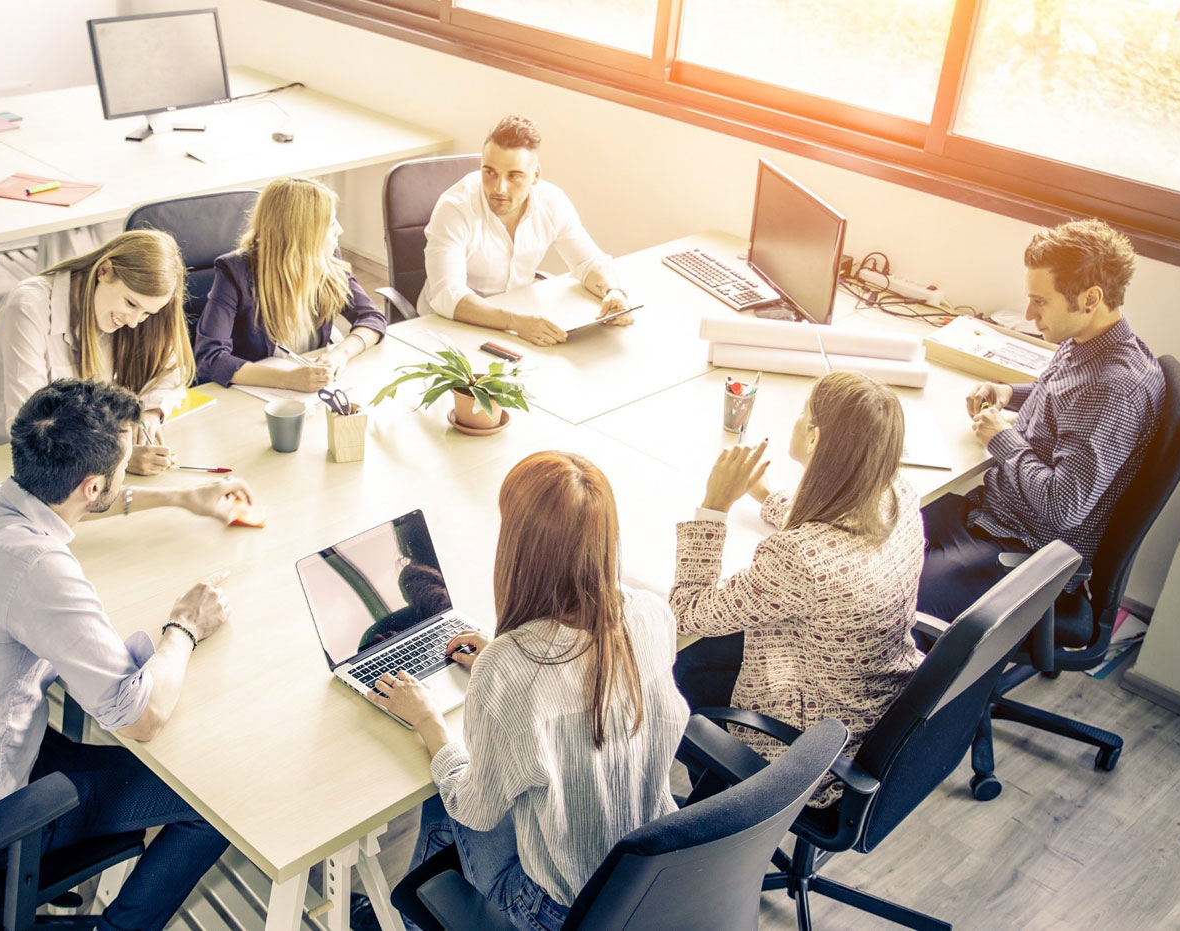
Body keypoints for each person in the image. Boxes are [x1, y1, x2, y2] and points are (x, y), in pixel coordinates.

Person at [0, 379, 253, 931]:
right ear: (93, 484)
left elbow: (63, 509)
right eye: (127, 461)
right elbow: (141, 717)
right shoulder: (39, 571)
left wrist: (176, 495)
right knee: (220, 802)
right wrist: (184, 628)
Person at [369, 451, 688, 931]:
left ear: (520, 547)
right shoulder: (651, 614)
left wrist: (428, 719)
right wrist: (508, 660)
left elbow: (474, 808)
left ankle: (418, 914)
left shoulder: (510, 666)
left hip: (554, 911)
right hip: (647, 882)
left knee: (443, 780)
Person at [670, 372, 924, 806]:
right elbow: (835, 533)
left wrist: (714, 506)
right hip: (871, 712)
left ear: (815, 438)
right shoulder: (896, 495)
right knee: (711, 647)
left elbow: (686, 609)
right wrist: (765, 494)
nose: (795, 417)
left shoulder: (798, 559)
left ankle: (719, 814)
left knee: (673, 659)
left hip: (806, 751)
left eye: (803, 411)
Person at [917, 219, 1165, 621]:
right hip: (992, 515)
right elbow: (1066, 397)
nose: (1030, 314)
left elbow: (1063, 504)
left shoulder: (1115, 389)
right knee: (865, 535)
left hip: (1025, 550)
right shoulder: (1091, 343)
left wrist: (1001, 438)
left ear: (1090, 298)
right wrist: (1008, 392)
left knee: (887, 601)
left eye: (1041, 302)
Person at [0, 229, 194, 475]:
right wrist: (118, 457)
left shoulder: (129, 316)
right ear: (104, 271)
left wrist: (150, 410)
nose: (134, 322)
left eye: (147, 313)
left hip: (80, 454)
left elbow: (171, 370)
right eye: (131, 303)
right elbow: (31, 427)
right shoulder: (29, 308)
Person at [418, 115, 633, 347]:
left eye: (514, 176)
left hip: (519, 322)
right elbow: (446, 294)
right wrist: (515, 322)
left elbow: (589, 262)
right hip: (450, 327)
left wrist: (614, 292)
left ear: (535, 176)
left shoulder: (552, 201)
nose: (499, 188)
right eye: (489, 173)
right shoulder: (454, 208)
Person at [195, 176, 386, 390]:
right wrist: (287, 379)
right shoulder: (235, 272)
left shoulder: (327, 259)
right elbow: (210, 358)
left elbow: (372, 318)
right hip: (257, 390)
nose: (340, 230)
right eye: (331, 223)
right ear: (302, 232)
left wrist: (340, 354)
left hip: (311, 388)